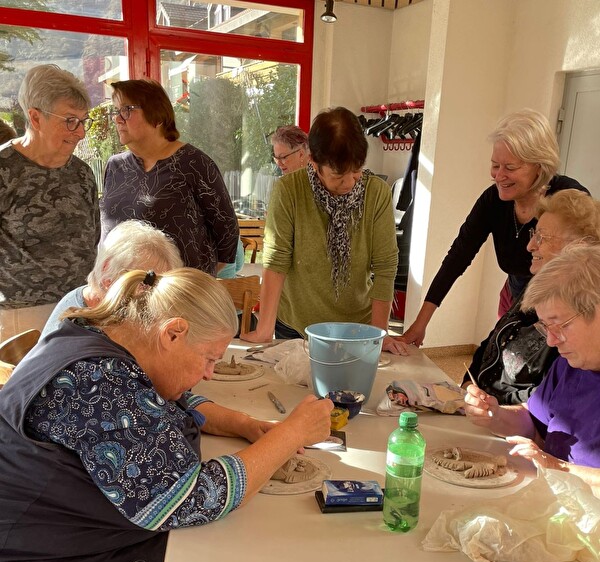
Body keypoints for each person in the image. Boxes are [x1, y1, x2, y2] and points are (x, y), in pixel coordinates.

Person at [0, 266, 333, 562]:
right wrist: (292, 433)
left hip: (75, 551)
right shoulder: (95, 382)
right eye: (209, 357)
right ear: (173, 333)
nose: (211, 373)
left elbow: (163, 399)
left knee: (219, 551)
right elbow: (193, 497)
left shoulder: (110, 344)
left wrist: (245, 424)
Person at [462, 244, 600, 562]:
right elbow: (535, 421)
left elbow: (560, 462)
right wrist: (494, 415)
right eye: (547, 325)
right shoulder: (569, 363)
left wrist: (554, 466)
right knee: (496, 560)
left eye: (560, 324)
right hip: (559, 510)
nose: (551, 338)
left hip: (592, 536)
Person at [401, 109, 588, 347]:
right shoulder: (493, 201)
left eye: (510, 167)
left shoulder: (568, 199)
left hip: (560, 305)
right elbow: (457, 257)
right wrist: (420, 325)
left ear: (539, 167)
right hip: (513, 294)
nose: (499, 176)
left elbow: (587, 267)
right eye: (494, 165)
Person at [242, 106, 407, 355]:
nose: (350, 183)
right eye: (338, 176)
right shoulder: (289, 191)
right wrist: (264, 328)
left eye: (356, 171)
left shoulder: (376, 193)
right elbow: (276, 261)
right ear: (314, 162)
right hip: (296, 326)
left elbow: (385, 266)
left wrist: (379, 333)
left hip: (357, 328)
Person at [463, 189, 600, 404]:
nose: (530, 245)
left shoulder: (579, 319)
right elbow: (494, 339)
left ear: (578, 248)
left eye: (541, 237)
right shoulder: (534, 287)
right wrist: (468, 384)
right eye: (533, 234)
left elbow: (548, 396)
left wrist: (495, 408)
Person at [0, 64, 100, 342]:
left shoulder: (82, 172)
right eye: (70, 120)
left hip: (79, 308)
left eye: (83, 120)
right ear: (35, 117)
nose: (80, 132)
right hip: (19, 315)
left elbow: (93, 238)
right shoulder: (3, 168)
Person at [100, 78, 239, 276]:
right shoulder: (115, 166)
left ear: (156, 115)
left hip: (175, 296)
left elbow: (227, 232)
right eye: (116, 111)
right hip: (121, 290)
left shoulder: (193, 163)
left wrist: (197, 280)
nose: (117, 118)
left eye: (126, 110)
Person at [41, 219, 184, 338]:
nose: (154, 300)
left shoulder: (96, 302)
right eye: (146, 284)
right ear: (107, 272)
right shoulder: (84, 330)